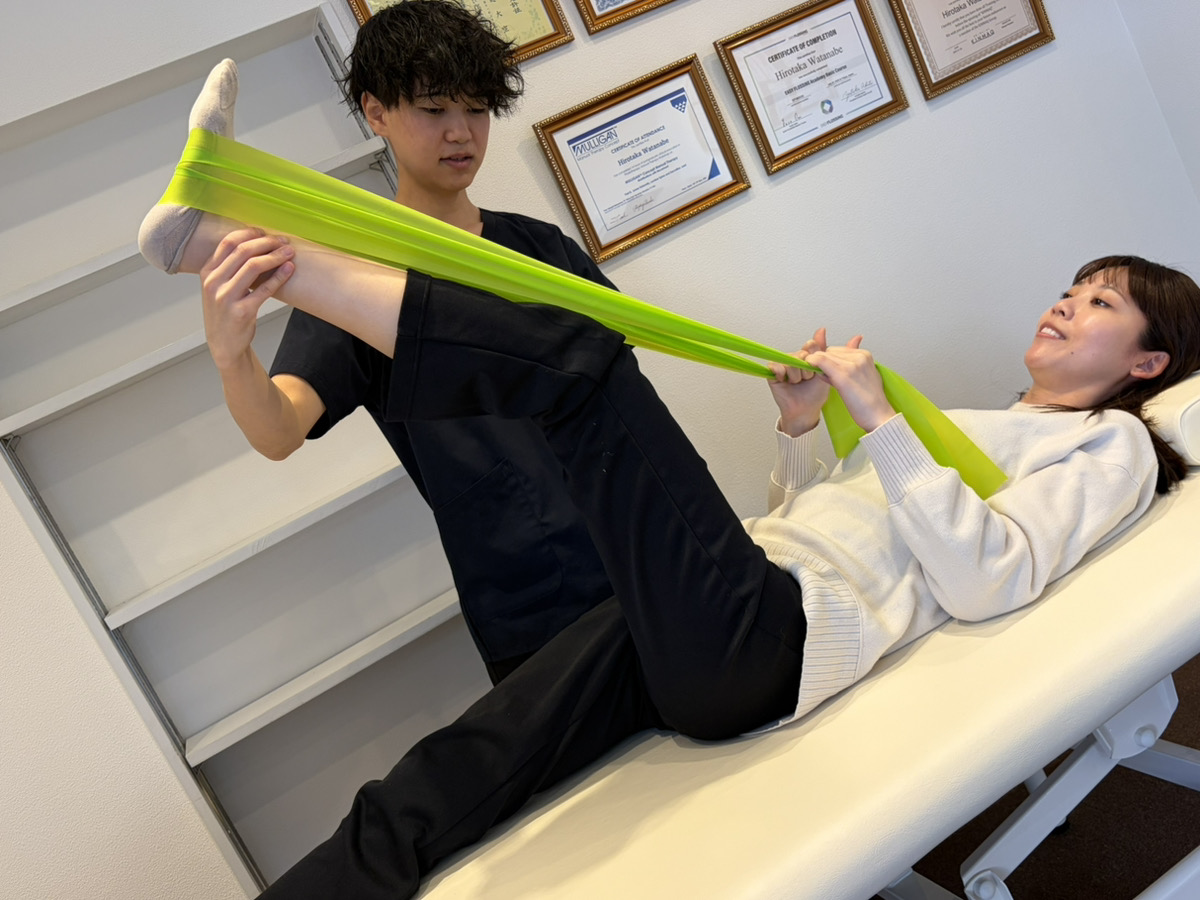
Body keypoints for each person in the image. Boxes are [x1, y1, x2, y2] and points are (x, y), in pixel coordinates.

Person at [140, 56, 1200, 899]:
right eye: (1071, 288)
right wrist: (800, 434)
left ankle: (243, 240)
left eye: (1100, 303)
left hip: (772, 645)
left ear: (1152, 365)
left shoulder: (1107, 447)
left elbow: (988, 577)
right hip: (711, 608)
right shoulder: (973, 427)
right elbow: (826, 529)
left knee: (582, 369)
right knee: (461, 760)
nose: (1065, 304)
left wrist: (879, 422)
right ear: (378, 115)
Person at [155, 1, 619, 685]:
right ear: (375, 112)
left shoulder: (540, 247)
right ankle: (209, 222)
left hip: (639, 533)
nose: (461, 133)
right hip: (532, 604)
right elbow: (279, 429)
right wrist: (231, 355)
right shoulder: (353, 282)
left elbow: (616, 382)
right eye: (434, 110)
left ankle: (206, 226)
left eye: (477, 109)